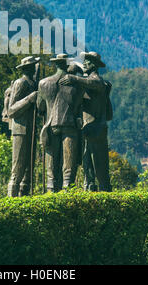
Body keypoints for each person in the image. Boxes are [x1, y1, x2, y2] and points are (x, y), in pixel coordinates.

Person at [59, 52, 112, 192]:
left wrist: (74, 78)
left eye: (87, 61)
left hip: (97, 130)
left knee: (100, 169)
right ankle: (90, 194)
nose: (84, 64)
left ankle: (105, 196)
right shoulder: (89, 85)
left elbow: (93, 82)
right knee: (87, 169)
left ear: (93, 64)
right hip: (88, 130)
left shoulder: (98, 82)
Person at [37, 54, 83, 192]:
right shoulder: (77, 85)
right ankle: (67, 191)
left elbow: (40, 107)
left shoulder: (44, 83)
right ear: (67, 64)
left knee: (51, 164)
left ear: (55, 65)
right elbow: (79, 105)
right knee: (69, 164)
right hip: (70, 126)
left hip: (50, 126)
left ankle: (51, 190)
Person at [7, 56, 39, 197]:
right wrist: (29, 99)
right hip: (20, 129)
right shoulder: (20, 83)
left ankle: (24, 199)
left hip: (30, 129)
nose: (34, 67)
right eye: (33, 65)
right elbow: (11, 110)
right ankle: (11, 199)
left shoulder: (33, 83)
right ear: (27, 68)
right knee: (18, 167)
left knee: (28, 170)